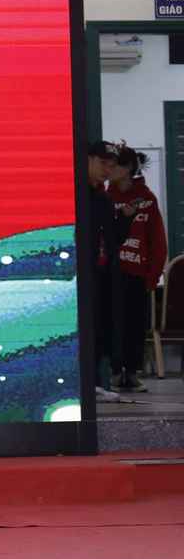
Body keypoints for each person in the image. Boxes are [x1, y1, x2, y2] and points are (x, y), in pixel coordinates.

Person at [107, 145, 167, 392]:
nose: (110, 170)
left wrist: (152, 275)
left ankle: (131, 372)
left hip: (137, 273)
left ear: (128, 168)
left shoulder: (147, 199)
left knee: (135, 324)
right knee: (111, 323)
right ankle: (113, 372)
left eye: (115, 165)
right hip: (110, 274)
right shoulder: (106, 197)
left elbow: (157, 240)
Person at [86, 141, 121, 401]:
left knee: (100, 327)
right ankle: (87, 382)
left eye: (111, 166)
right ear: (88, 159)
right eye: (102, 164)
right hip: (81, 275)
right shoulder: (78, 195)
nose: (107, 171)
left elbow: (112, 239)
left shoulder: (103, 198)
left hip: (101, 273)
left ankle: (95, 382)